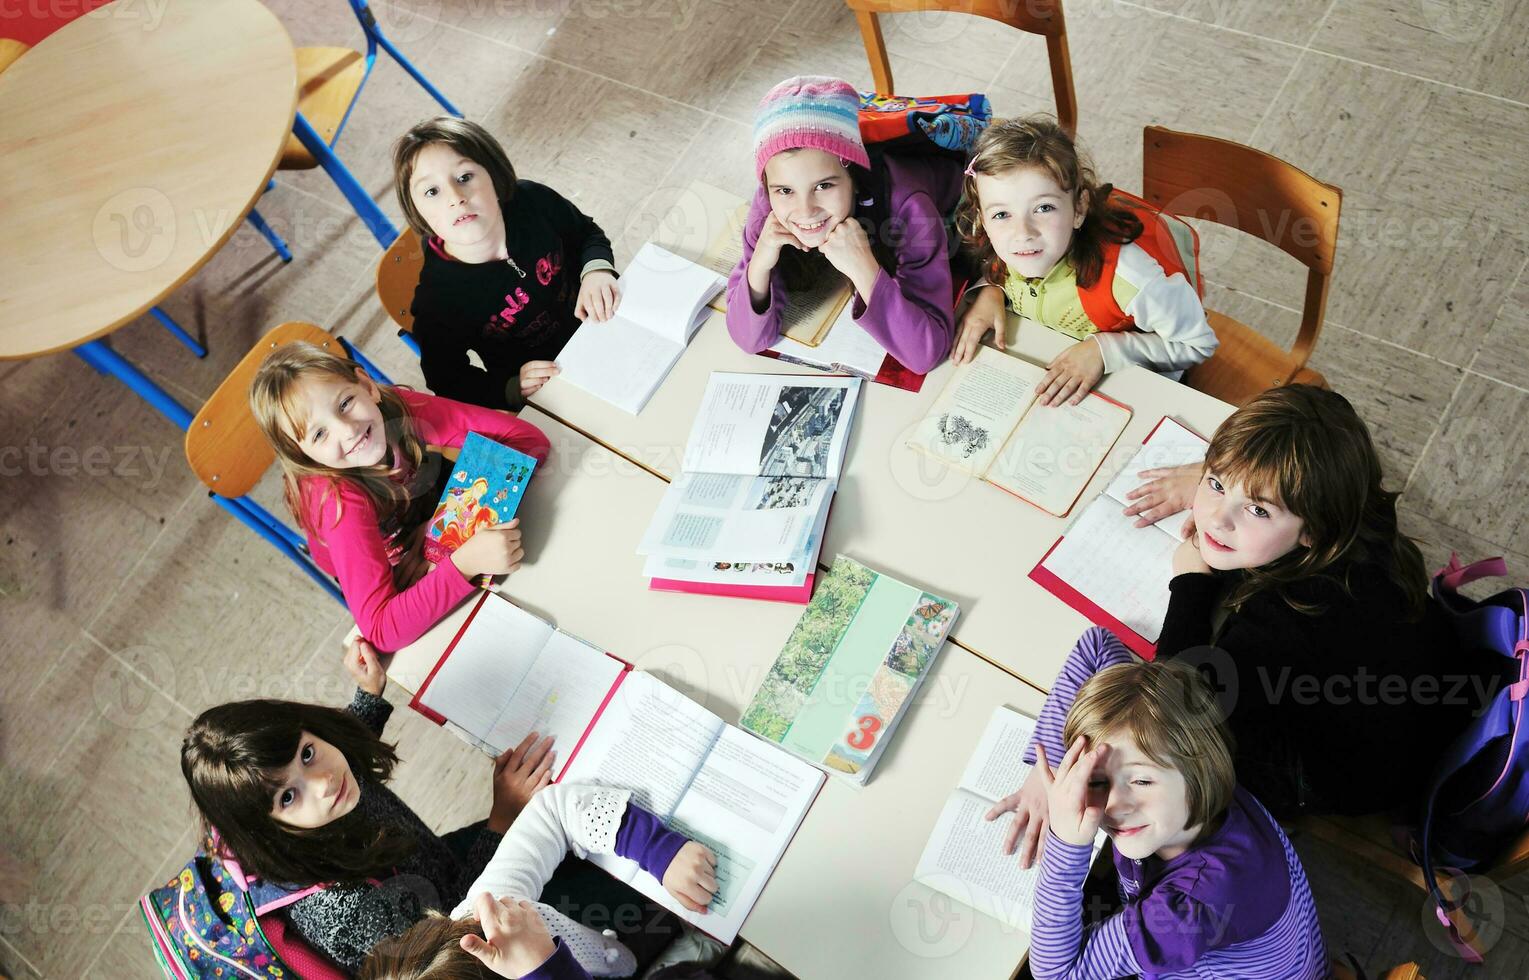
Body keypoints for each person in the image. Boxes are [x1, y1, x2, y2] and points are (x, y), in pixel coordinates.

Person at [179, 636, 556, 971]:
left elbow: (344, 744)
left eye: (306, 753)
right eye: (288, 796)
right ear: (266, 829)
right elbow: (459, 938)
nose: (325, 782)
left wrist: (369, 694)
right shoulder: (349, 910)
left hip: (436, 867)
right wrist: (502, 820)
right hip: (464, 925)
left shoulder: (322, 772)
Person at [1025, 657, 1326, 978]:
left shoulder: (1191, 906)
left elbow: (1053, 974)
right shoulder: (1194, 778)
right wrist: (1054, 774)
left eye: (1141, 781)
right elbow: (1097, 644)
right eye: (1096, 780)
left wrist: (1067, 842)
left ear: (1195, 770)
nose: (1114, 806)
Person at [250, 341, 548, 651]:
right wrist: (463, 563)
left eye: (345, 403)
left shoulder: (397, 409)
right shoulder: (337, 502)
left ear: (367, 386)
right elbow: (382, 630)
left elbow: (527, 441)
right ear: (306, 458)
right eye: (319, 434)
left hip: (427, 509)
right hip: (388, 561)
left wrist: (445, 524)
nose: (347, 430)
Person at [952, 116, 1216, 405]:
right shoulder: (998, 243)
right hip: (1049, 371)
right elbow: (999, 270)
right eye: (1001, 214)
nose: (1022, 233)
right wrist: (990, 290)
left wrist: (1105, 351)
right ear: (982, 219)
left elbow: (1198, 344)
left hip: (1129, 385)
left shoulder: (1132, 278)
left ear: (1079, 208)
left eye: (1043, 208)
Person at [359, 782, 719, 979]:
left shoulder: (486, 919)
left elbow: (553, 811)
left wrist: (658, 849)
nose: (518, 942)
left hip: (615, 949)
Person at [726, 75, 962, 375]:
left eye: (824, 186)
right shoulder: (769, 209)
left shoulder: (909, 207)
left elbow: (926, 353)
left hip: (958, 214)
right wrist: (758, 266)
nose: (805, 210)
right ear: (768, 186)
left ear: (853, 177)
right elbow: (748, 339)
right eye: (785, 190)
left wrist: (865, 269)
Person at [393, 116, 620, 409]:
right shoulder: (438, 300)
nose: (455, 198)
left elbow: (586, 233)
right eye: (432, 191)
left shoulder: (531, 200)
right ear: (417, 211)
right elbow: (446, 378)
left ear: (495, 176)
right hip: (554, 388)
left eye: (464, 177)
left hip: (605, 324)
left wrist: (597, 270)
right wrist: (511, 388)